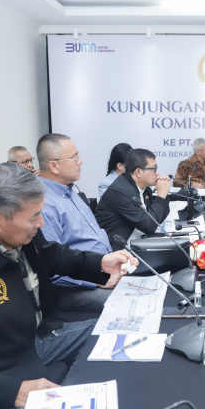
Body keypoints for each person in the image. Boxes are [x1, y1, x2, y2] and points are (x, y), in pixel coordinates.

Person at [0, 163, 136, 409]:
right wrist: (14, 392)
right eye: (34, 217)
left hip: (35, 338)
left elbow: (49, 255)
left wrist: (99, 263)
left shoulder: (18, 227)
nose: (41, 223)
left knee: (116, 329)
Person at [36, 133, 119, 312]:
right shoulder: (43, 204)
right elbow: (52, 267)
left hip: (105, 270)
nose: (80, 162)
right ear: (54, 166)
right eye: (74, 158)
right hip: (78, 288)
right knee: (130, 305)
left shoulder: (70, 191)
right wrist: (96, 281)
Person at [95, 148, 171, 249]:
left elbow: (158, 218)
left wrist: (164, 194)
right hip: (116, 251)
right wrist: (161, 195)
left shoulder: (143, 188)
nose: (157, 173)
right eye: (154, 169)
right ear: (138, 172)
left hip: (137, 243)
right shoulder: (121, 192)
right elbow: (150, 226)